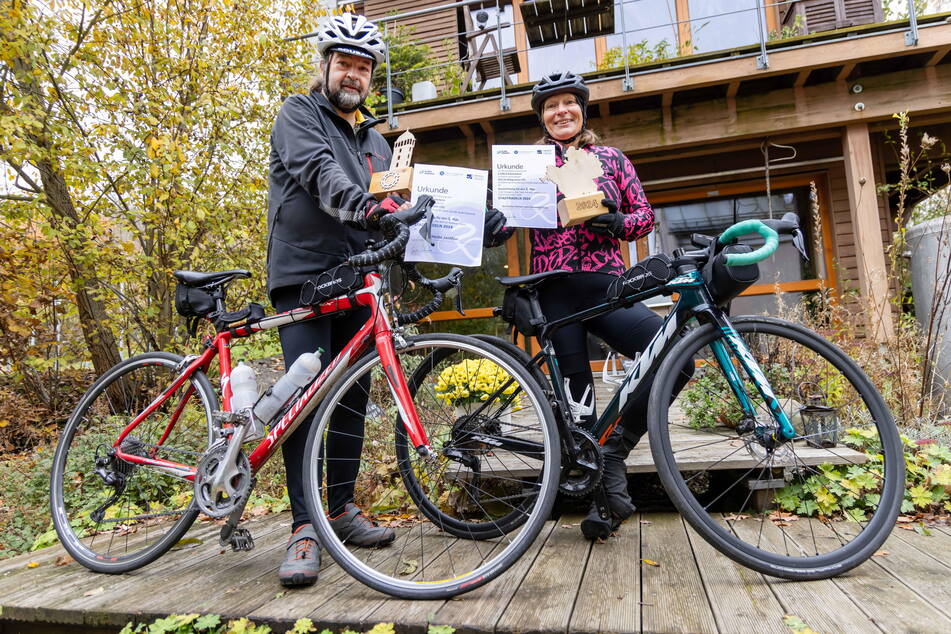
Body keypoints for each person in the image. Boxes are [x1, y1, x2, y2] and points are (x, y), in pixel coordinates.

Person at [486, 71, 691, 540]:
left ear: (582, 110)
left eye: (569, 104)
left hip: (606, 286)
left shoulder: (611, 159)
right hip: (551, 289)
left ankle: (616, 449)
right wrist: (493, 219)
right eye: (551, 105)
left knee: (676, 362)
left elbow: (643, 218)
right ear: (542, 116)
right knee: (578, 404)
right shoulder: (529, 164)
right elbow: (500, 231)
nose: (561, 111)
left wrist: (617, 221)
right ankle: (601, 501)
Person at [266, 13, 407, 588]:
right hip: (303, 274)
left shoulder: (376, 140)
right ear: (325, 65)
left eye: (363, 66)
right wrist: (369, 208)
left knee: (351, 397)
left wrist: (473, 222)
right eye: (344, 62)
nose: (353, 74)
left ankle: (342, 508)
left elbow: (396, 203)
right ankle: (304, 525)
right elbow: (319, 174)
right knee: (302, 396)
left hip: (357, 277)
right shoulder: (299, 115)